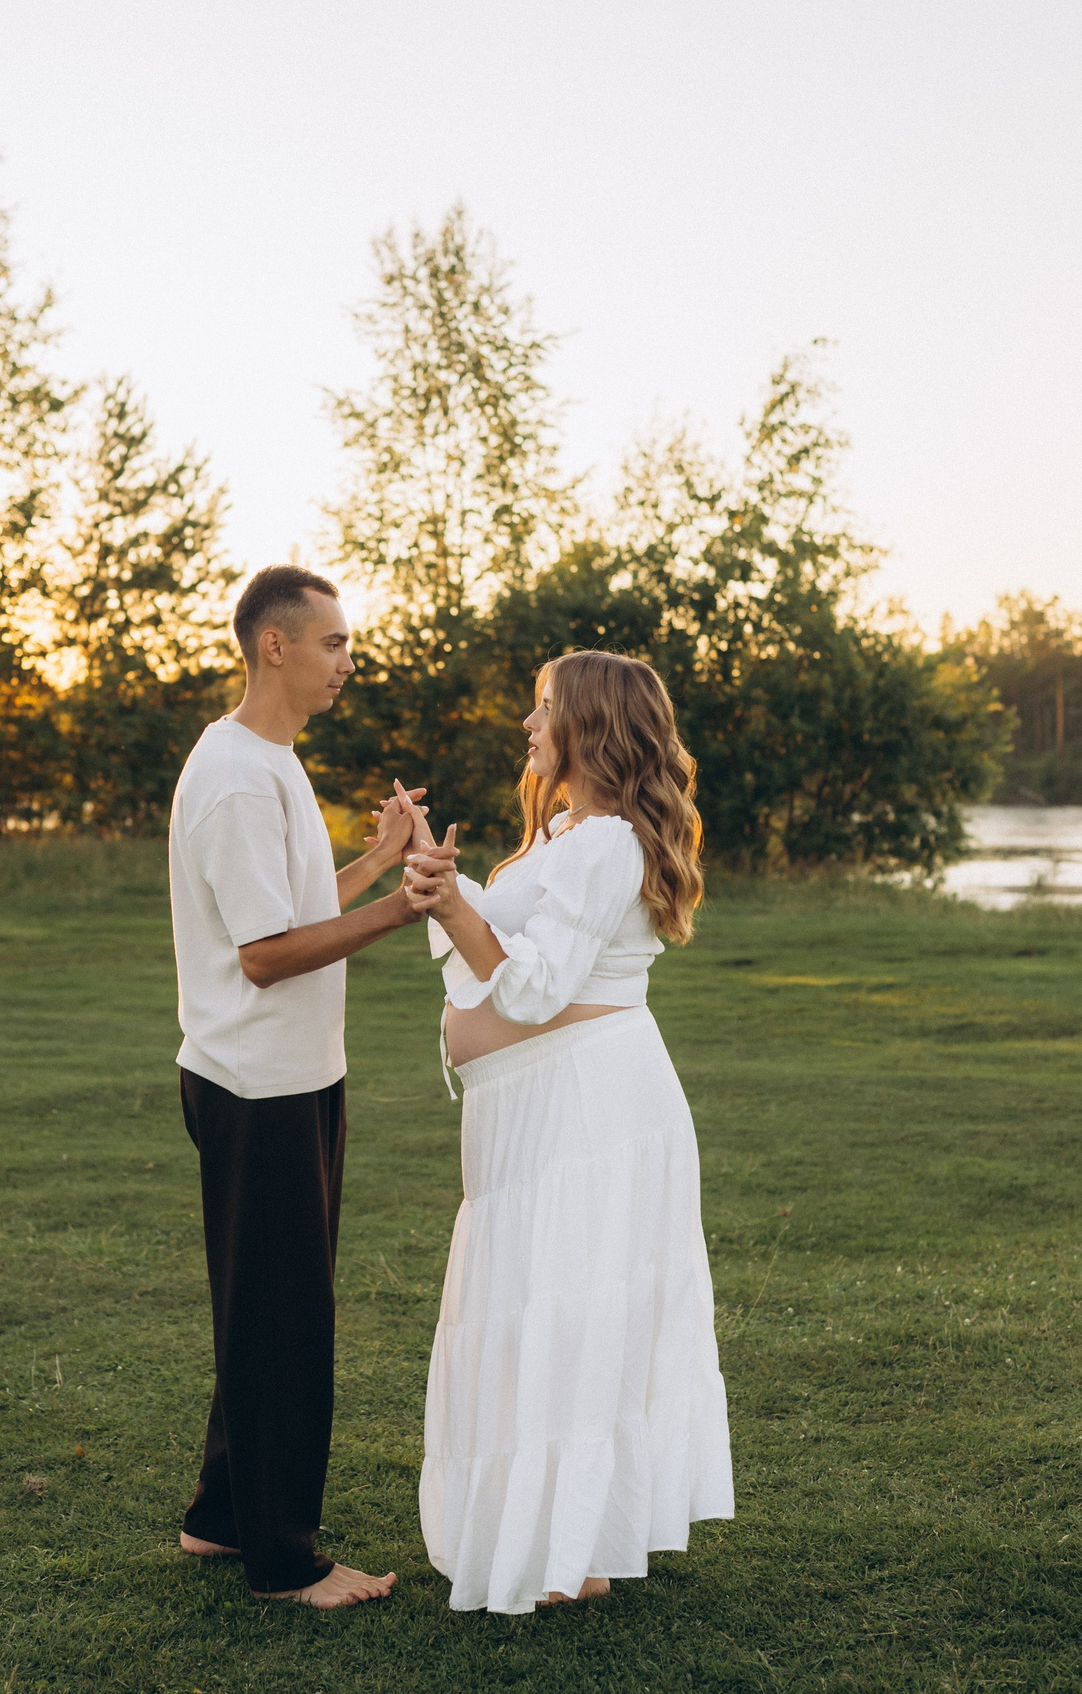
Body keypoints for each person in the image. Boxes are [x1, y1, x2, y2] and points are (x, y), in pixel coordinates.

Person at [400, 649, 735, 1614]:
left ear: (590, 722)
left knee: (572, 1309)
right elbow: (483, 947)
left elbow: (539, 987)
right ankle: (548, 1530)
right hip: (528, 1113)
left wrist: (457, 899)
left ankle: (574, 1542)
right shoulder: (557, 833)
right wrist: (443, 881)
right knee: (532, 1308)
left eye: (544, 706)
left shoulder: (609, 844)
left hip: (588, 1109)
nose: (528, 723)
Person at [167, 564, 429, 1609]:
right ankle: (285, 1562)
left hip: (297, 1077)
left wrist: (372, 862)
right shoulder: (234, 774)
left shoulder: (269, 761)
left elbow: (290, 905)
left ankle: (221, 1518)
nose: (346, 663)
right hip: (255, 1086)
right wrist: (402, 910)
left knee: (265, 1306)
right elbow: (267, 954)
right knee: (283, 1321)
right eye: (332, 644)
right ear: (273, 645)